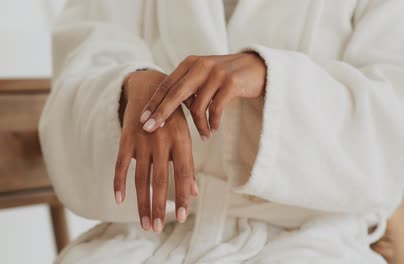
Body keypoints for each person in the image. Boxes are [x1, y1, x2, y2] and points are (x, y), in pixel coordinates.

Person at [39, 0, 404, 263]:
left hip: (309, 242)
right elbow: (81, 70)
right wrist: (126, 91)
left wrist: (272, 80)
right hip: (141, 240)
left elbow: (392, 125)